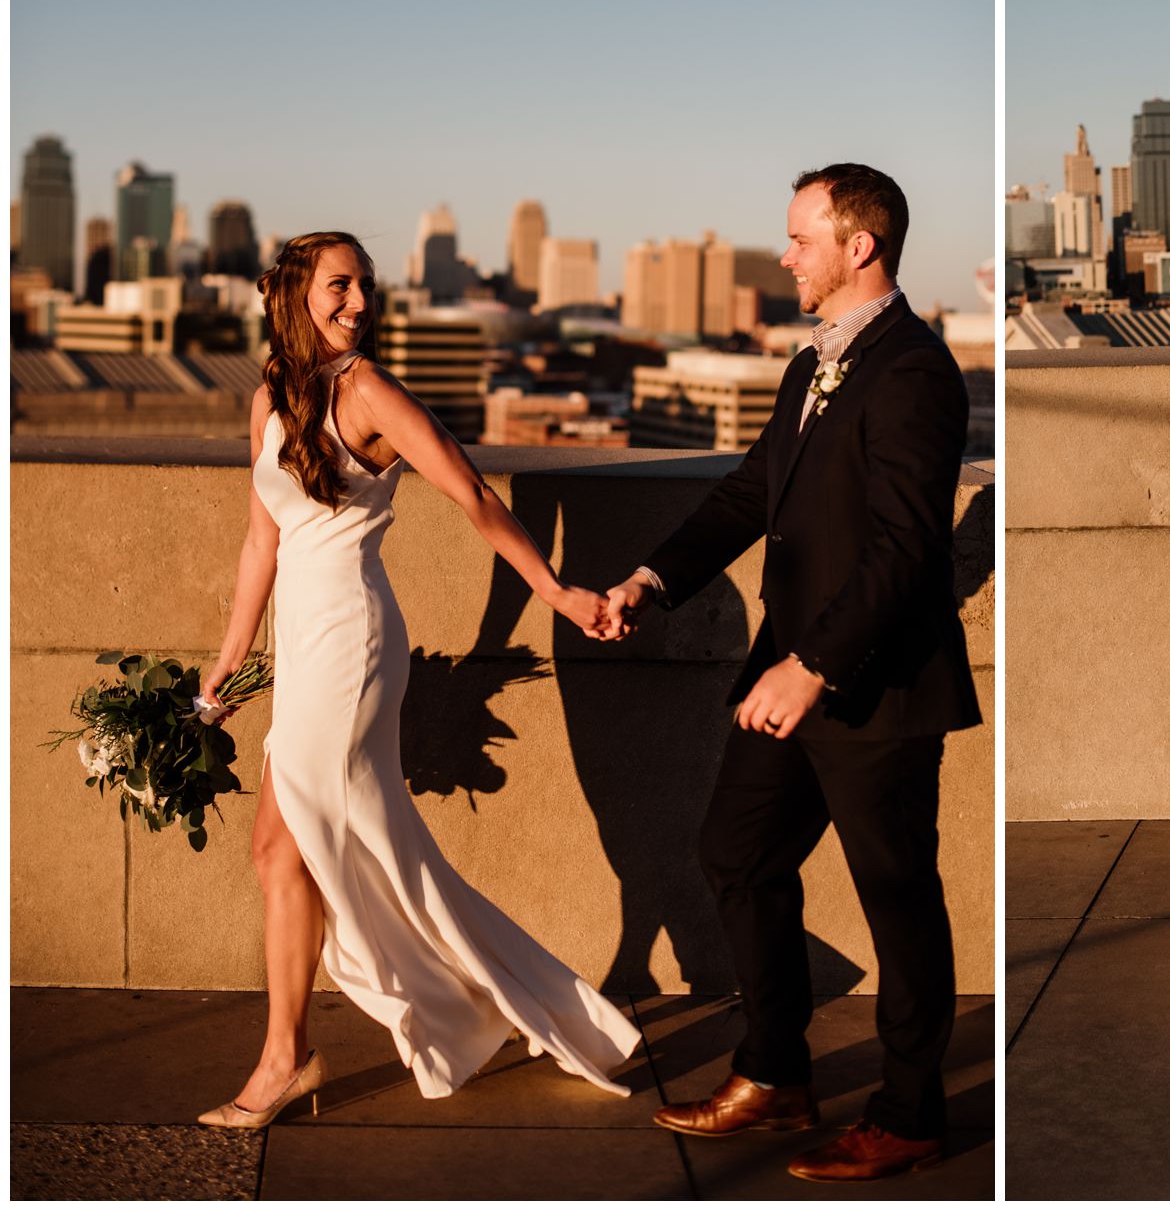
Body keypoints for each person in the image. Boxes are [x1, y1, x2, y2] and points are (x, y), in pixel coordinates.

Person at [196, 232, 640, 1127]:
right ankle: (301, 1050)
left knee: (292, 846)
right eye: (340, 285)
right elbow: (261, 539)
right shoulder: (271, 397)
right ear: (293, 293)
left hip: (354, 645)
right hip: (304, 646)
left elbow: (472, 494)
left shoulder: (368, 390)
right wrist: (228, 659)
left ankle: (293, 1055)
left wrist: (555, 591)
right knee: (284, 850)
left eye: (366, 287)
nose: (360, 303)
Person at [600, 164, 978, 1184]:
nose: (784, 254)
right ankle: (774, 1074)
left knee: (896, 899)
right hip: (790, 672)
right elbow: (749, 493)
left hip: (872, 687)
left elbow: (905, 552)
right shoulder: (811, 364)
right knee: (735, 852)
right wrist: (652, 576)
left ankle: (908, 1115)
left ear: (859, 246)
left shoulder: (913, 371)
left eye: (799, 236)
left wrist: (814, 665)